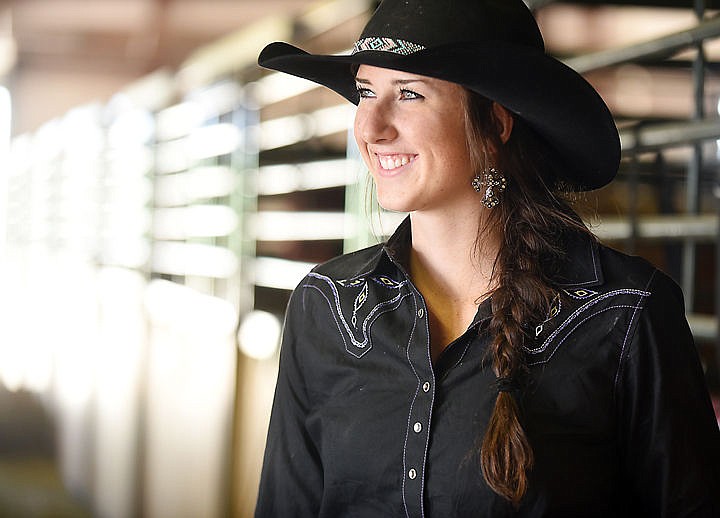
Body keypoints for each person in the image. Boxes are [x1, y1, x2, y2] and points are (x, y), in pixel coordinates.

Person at [254, 0, 720, 516]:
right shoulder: (325, 307)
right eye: (366, 93)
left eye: (409, 94)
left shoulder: (626, 314)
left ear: (496, 124)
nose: (371, 128)